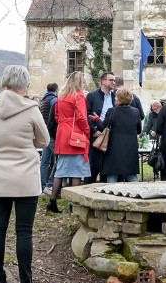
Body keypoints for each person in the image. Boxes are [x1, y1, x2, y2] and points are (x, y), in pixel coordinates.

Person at [0, 65, 50, 283]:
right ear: (23, 84)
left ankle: (0, 281)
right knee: (24, 231)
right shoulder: (31, 109)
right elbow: (44, 140)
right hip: (25, 175)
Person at [49, 71, 91, 213]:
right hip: (75, 134)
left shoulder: (60, 96)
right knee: (76, 171)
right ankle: (74, 205)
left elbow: (56, 116)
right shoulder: (78, 95)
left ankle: (52, 200)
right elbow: (81, 116)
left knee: (60, 170)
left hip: (62, 133)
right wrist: (87, 130)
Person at [100, 88, 142, 183]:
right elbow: (139, 130)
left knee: (112, 175)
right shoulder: (136, 112)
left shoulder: (112, 111)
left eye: (116, 97)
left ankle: (111, 197)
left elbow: (103, 127)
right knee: (131, 176)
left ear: (119, 99)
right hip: (130, 148)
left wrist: (96, 120)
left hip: (113, 148)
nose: (115, 99)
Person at [86, 72, 116, 182]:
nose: (114, 82)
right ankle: (87, 191)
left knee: (107, 167)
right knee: (94, 166)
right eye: (111, 80)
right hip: (97, 134)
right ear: (103, 81)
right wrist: (93, 130)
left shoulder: (115, 96)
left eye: (114, 80)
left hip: (111, 135)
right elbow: (87, 114)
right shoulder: (92, 96)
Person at [39, 83, 59, 193]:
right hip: (52, 134)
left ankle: (42, 186)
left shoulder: (43, 100)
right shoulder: (54, 100)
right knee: (59, 159)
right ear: (56, 90)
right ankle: (50, 183)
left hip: (44, 133)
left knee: (44, 162)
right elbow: (55, 117)